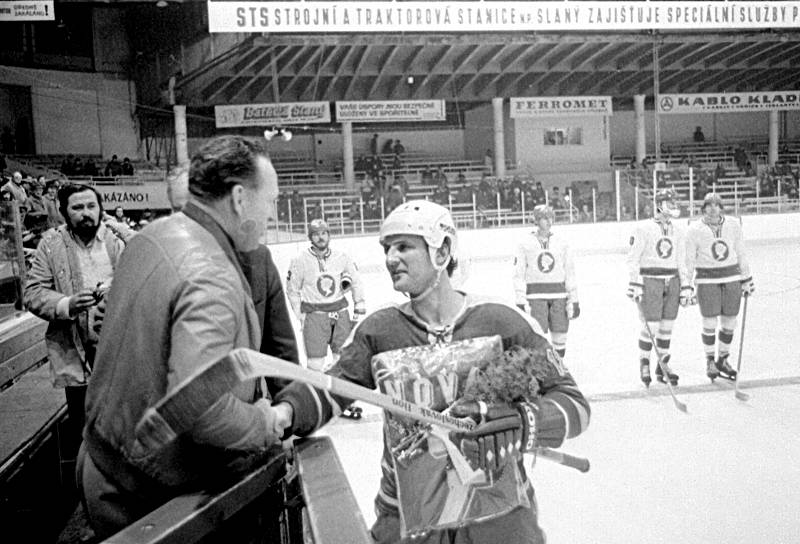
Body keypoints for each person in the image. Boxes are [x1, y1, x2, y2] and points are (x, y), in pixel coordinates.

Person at [270, 200, 590, 543]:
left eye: (404, 247)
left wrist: (526, 420)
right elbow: (331, 387)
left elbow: (575, 404)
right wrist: (284, 411)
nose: (391, 258)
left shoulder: (502, 322)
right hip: (407, 518)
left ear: (443, 250)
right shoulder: (379, 330)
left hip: (500, 519)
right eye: (387, 249)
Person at [78, 135, 289, 538]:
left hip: (104, 464)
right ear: (240, 199)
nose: (273, 215)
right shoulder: (211, 274)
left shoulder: (152, 236)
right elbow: (200, 409)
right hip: (146, 499)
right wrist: (265, 420)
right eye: (272, 201)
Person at [23, 184, 128, 461]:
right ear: (63, 212)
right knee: (85, 428)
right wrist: (67, 304)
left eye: (91, 206)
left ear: (100, 208)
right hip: (77, 349)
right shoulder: (51, 244)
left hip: (122, 348)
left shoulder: (119, 238)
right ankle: (88, 490)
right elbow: (33, 293)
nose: (86, 214)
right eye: (77, 208)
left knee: (126, 425)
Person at [286, 218, 366, 418]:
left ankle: (342, 402)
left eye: (324, 233)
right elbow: (292, 290)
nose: (321, 237)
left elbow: (355, 281)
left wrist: (360, 304)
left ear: (329, 235)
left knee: (342, 360)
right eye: (316, 234)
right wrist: (300, 314)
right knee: (315, 364)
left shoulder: (342, 257)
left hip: (340, 315)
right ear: (310, 237)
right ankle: (315, 404)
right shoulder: (299, 260)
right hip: (315, 316)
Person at [685, 193, 753, 381]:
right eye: (709, 204)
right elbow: (689, 260)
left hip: (732, 277)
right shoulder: (694, 229)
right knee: (709, 322)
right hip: (707, 280)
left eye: (717, 204)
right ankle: (710, 361)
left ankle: (722, 358)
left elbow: (741, 251)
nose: (713, 208)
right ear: (703, 207)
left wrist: (747, 278)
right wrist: (686, 285)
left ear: (721, 207)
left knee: (730, 321)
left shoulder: (733, 224)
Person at [626, 189, 690, 386]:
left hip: (672, 280)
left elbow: (682, 260)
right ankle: (644, 362)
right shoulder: (643, 228)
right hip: (650, 280)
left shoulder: (679, 231)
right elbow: (633, 258)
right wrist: (635, 283)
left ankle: (663, 364)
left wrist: (686, 285)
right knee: (651, 327)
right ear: (659, 204)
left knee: (666, 327)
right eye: (669, 202)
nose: (673, 206)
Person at [513, 204, 580, 359]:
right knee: (538, 335)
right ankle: (541, 370)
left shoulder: (562, 243)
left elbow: (569, 272)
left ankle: (558, 366)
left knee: (560, 333)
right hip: (535, 297)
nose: (548, 221)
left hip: (559, 296)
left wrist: (574, 298)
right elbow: (519, 274)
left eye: (550, 217)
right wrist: (520, 299)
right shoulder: (524, 243)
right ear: (536, 221)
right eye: (544, 218)